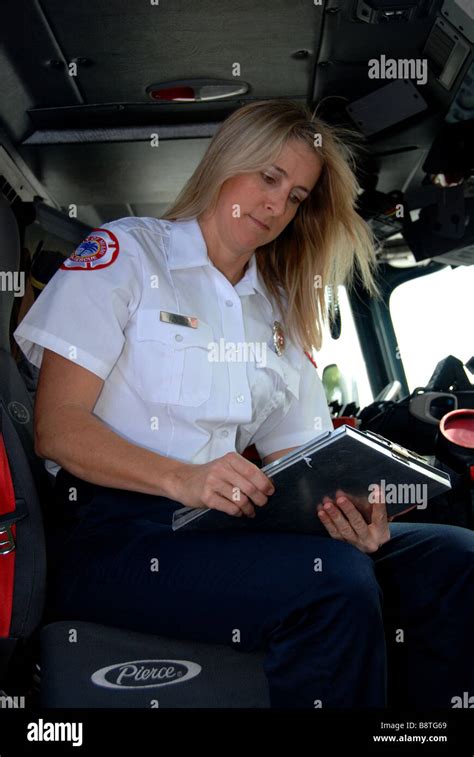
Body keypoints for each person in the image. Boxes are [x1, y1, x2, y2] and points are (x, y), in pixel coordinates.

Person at [13, 99, 474, 709]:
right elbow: (57, 430)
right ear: (228, 161)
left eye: (298, 197)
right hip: (118, 538)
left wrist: (350, 514)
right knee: (334, 587)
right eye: (270, 177)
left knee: (455, 559)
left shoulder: (279, 314)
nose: (276, 206)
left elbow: (307, 464)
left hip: (230, 529)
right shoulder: (127, 254)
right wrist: (185, 478)